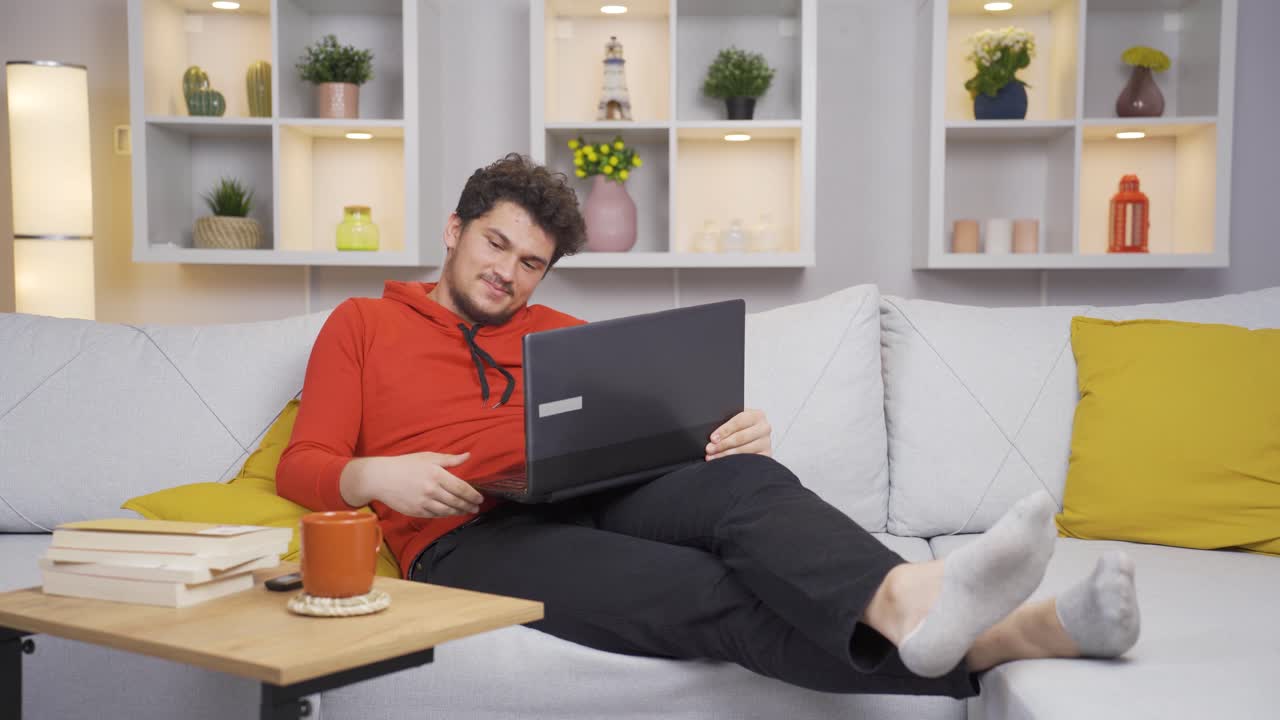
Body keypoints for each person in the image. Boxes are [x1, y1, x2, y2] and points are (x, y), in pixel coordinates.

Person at [277, 153, 1140, 697]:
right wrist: (374, 476)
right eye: (495, 245)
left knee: (744, 480)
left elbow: (646, 428)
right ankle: (1010, 637)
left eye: (531, 262)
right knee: (708, 594)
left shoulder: (560, 335)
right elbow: (303, 463)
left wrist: (727, 431)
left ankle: (905, 596)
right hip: (468, 535)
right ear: (455, 230)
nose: (508, 273)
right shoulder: (363, 324)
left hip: (588, 492)